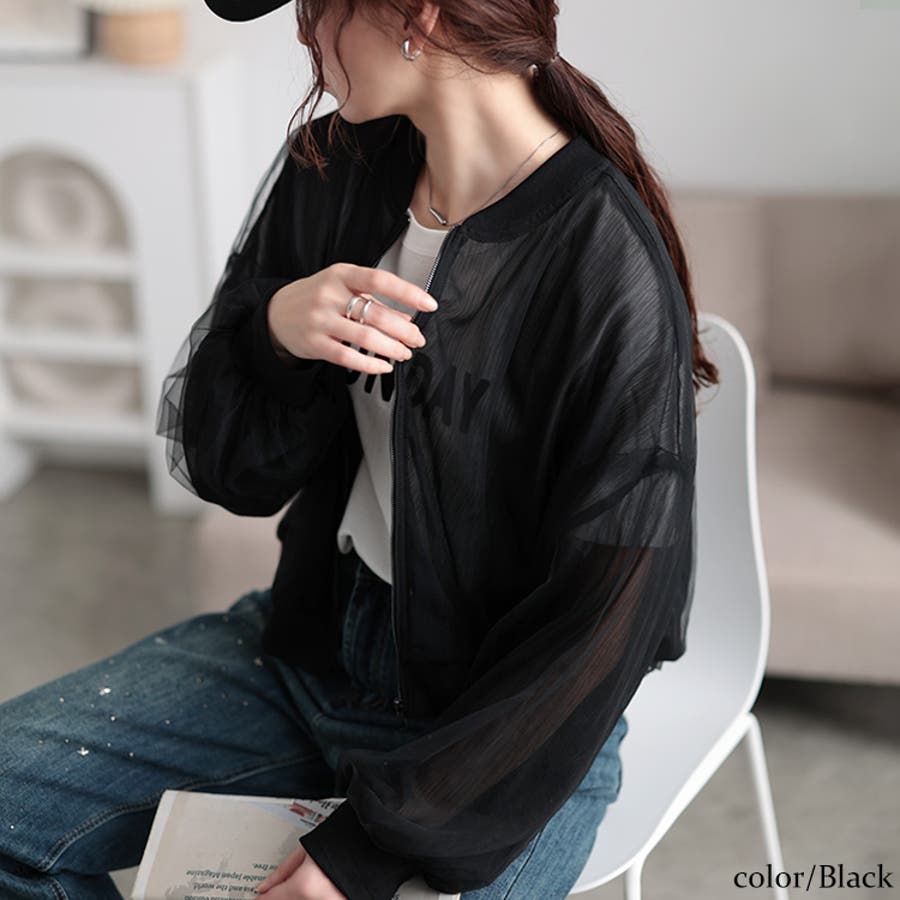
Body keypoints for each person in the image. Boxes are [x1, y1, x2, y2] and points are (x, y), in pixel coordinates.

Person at [0, 1, 719, 898]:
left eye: (316, 6)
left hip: (496, 732)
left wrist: (365, 857)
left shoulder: (603, 259)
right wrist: (275, 330)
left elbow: (605, 622)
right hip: (313, 649)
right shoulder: (333, 168)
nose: (304, 35)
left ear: (417, 13)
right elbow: (232, 470)